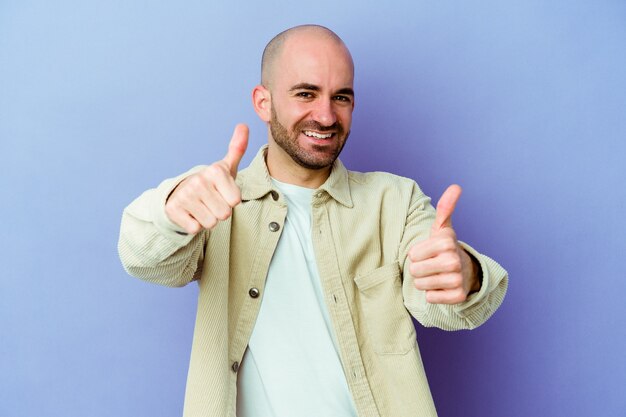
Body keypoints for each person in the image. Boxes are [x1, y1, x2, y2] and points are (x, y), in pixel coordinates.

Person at [118, 24, 507, 417]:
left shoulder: (396, 200)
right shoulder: (214, 198)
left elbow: (443, 307)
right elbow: (143, 259)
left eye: (341, 97)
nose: (325, 116)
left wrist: (465, 274)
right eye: (306, 93)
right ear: (263, 102)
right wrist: (171, 212)